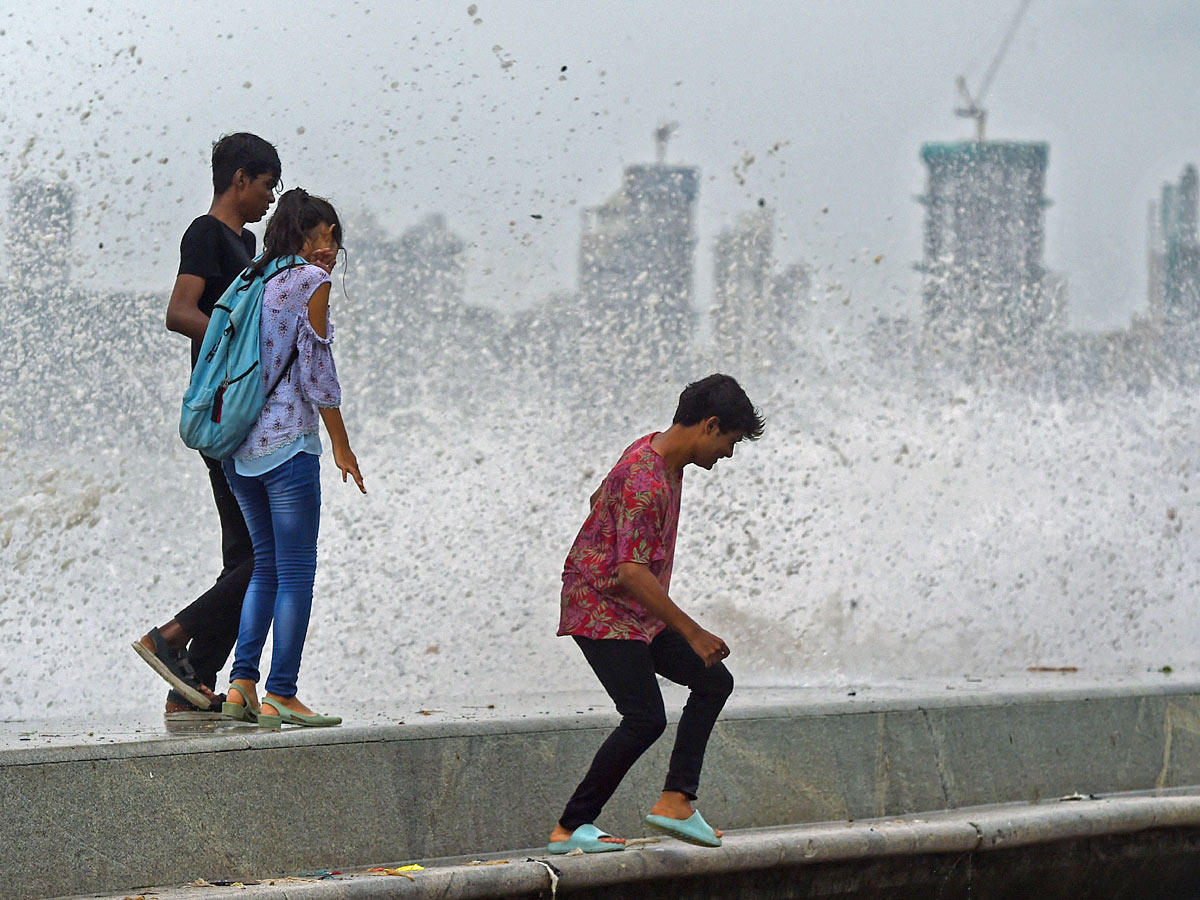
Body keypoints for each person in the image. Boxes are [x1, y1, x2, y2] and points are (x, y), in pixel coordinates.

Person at [132, 133, 311, 718]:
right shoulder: (205, 234)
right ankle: (171, 635)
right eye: (266, 185)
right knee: (264, 559)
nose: (269, 198)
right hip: (224, 414)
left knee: (246, 555)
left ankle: (192, 686)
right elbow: (179, 312)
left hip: (248, 419)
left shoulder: (248, 242)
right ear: (240, 178)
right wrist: (236, 350)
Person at [547, 374, 764, 854]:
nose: (728, 455)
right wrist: (693, 630)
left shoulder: (657, 453)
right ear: (710, 425)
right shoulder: (648, 479)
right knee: (645, 718)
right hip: (601, 606)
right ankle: (570, 828)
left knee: (713, 681)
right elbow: (630, 572)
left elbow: (598, 501)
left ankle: (675, 801)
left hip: (632, 609)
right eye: (730, 442)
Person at [217, 188, 365, 731]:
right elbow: (316, 374)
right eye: (325, 236)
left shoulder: (254, 279)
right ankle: (281, 691)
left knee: (266, 566)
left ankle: (241, 685)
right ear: (306, 233)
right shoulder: (309, 282)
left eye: (334, 240)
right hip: (286, 448)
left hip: (237, 446)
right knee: (297, 571)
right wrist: (342, 445)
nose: (330, 250)